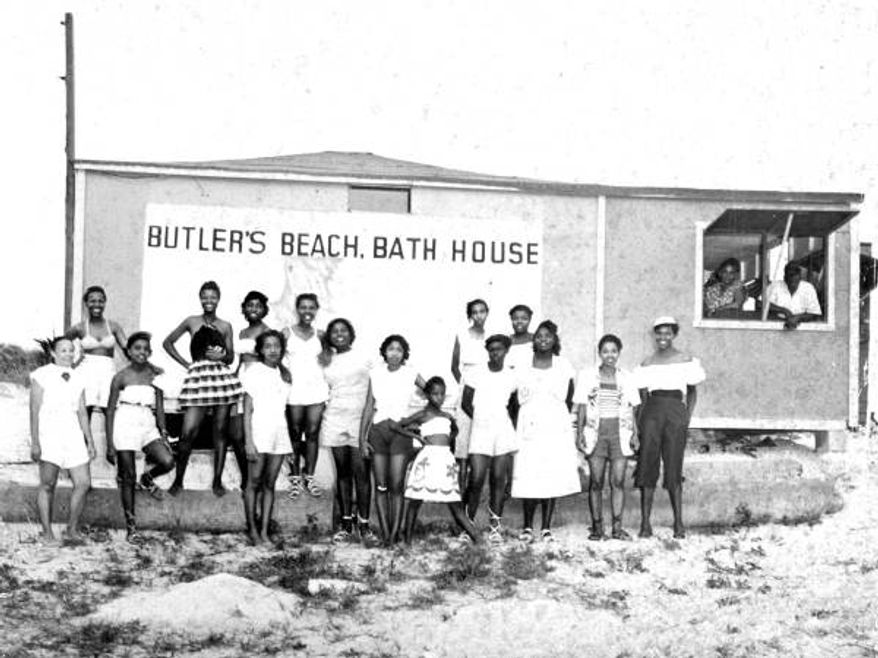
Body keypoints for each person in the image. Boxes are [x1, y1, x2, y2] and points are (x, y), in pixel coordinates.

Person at [162, 280, 244, 497]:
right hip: (199, 378)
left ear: (219, 299)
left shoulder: (225, 325)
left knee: (220, 431)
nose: (209, 301)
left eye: (213, 297)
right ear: (200, 298)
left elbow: (231, 356)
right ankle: (178, 480)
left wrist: (222, 356)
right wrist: (186, 364)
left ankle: (217, 481)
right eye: (205, 297)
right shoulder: (191, 321)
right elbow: (167, 342)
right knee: (188, 432)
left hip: (220, 379)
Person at [633, 317, 706, 539]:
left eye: (667, 333)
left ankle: (679, 524)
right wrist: (639, 426)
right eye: (659, 333)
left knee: (674, 464)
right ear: (654, 335)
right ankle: (645, 524)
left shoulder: (685, 360)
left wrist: (687, 416)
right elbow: (642, 397)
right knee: (647, 463)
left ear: (674, 334)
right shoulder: (647, 363)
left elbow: (692, 391)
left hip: (676, 412)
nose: (662, 337)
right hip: (652, 413)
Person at [511, 320, 580, 543]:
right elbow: (513, 397)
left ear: (554, 339)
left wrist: (561, 421)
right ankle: (528, 526)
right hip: (529, 424)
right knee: (530, 473)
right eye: (539, 336)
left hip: (554, 425)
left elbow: (570, 397)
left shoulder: (563, 364)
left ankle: (547, 527)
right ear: (534, 340)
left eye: (547, 336)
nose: (543, 339)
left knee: (551, 473)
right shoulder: (523, 364)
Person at [105, 332, 176, 543]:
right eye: (137, 348)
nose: (142, 352)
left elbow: (160, 408)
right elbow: (109, 411)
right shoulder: (120, 377)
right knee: (127, 475)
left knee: (168, 460)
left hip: (147, 421)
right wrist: (110, 444)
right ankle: (131, 527)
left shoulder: (155, 375)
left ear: (150, 352)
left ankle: (147, 479)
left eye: (146, 349)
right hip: (125, 421)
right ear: (128, 351)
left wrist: (163, 434)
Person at [29, 337, 96, 543]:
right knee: (48, 484)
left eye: (71, 350)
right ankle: (47, 532)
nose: (68, 354)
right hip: (49, 432)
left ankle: (71, 529)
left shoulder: (79, 378)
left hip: (73, 432)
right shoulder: (41, 375)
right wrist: (35, 441)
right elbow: (34, 409)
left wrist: (90, 441)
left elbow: (83, 412)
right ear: (53, 353)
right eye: (63, 350)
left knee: (83, 483)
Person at [360, 334, 425, 545]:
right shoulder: (375, 373)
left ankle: (395, 533)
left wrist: (415, 421)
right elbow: (369, 407)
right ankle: (386, 534)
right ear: (384, 352)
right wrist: (362, 439)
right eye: (390, 349)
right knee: (381, 485)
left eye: (399, 349)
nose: (394, 353)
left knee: (397, 485)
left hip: (399, 432)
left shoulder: (410, 373)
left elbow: (432, 393)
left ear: (404, 353)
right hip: (378, 430)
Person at [574, 334, 640, 541]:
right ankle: (597, 528)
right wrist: (579, 434)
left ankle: (617, 528)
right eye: (605, 351)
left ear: (619, 353)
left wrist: (636, 434)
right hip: (596, 432)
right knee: (595, 482)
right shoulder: (587, 376)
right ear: (599, 353)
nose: (609, 355)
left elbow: (633, 408)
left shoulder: (627, 377)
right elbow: (582, 407)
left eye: (613, 351)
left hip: (620, 432)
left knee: (618, 481)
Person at [402, 377, 481, 545]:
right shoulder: (423, 414)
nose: (439, 398)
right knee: (415, 500)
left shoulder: (447, 415)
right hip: (427, 459)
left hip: (445, 460)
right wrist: (417, 436)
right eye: (435, 394)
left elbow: (455, 430)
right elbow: (398, 426)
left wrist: (448, 440)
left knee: (454, 503)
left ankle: (478, 539)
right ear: (427, 395)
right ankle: (407, 541)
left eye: (442, 394)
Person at [320, 318, 376, 544]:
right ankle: (346, 524)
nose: (339, 334)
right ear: (329, 336)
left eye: (343, 330)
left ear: (351, 334)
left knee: (362, 474)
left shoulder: (364, 357)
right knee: (343, 474)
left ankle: (364, 524)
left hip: (359, 420)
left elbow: (375, 390)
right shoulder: (325, 360)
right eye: (334, 331)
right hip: (334, 418)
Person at [461, 334, 518, 544]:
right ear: (487, 351)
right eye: (492, 349)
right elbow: (466, 401)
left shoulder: (511, 376)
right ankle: (468, 526)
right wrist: (480, 419)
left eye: (499, 349)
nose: (495, 353)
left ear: (506, 351)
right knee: (475, 478)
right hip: (480, 428)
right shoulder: (477, 372)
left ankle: (495, 527)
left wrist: (503, 421)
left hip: (502, 428)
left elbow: (513, 405)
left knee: (498, 479)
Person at [241, 330, 292, 545]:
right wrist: (248, 441)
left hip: (279, 432)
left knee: (269, 484)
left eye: (277, 346)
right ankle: (252, 529)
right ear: (261, 350)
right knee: (253, 483)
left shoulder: (285, 374)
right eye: (268, 346)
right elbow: (247, 408)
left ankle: (264, 531)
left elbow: (285, 409)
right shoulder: (254, 371)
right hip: (259, 431)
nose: (273, 350)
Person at [283, 293, 327, 499]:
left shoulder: (322, 335)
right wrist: (283, 371)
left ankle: (309, 475)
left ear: (316, 310)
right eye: (303, 307)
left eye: (311, 307)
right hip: (294, 391)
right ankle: (294, 477)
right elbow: (273, 356)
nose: (307, 311)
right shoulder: (287, 333)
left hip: (317, 390)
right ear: (297, 309)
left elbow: (331, 359)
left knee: (312, 433)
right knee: (294, 433)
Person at [66, 285, 127, 420]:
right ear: (86, 303)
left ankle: (112, 441)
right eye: (92, 301)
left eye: (100, 301)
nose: (96, 304)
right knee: (85, 410)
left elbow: (128, 349)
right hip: (87, 370)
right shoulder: (79, 327)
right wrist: (71, 365)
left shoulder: (114, 326)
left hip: (108, 370)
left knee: (110, 409)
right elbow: (60, 346)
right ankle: (83, 441)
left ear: (105, 303)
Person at [450, 298, 490, 493]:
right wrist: (464, 387)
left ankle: (474, 494)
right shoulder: (462, 335)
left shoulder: (491, 335)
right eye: (475, 312)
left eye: (482, 311)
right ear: (469, 315)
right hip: (466, 389)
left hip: (486, 388)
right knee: (463, 443)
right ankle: (459, 490)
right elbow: (454, 366)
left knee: (481, 439)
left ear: (487, 313)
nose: (479, 315)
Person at [767, 262, 822, 329]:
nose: (792, 278)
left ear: (800, 277)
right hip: (775, 327)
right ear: (784, 277)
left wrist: (798, 318)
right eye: (790, 275)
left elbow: (815, 314)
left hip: (802, 330)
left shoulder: (808, 288)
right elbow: (761, 305)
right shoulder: (775, 286)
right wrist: (783, 310)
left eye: (795, 275)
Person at [506, 304, 535, 370]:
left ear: (530, 320)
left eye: (524, 319)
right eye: (515, 318)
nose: (519, 321)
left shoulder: (536, 340)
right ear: (511, 320)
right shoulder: (506, 341)